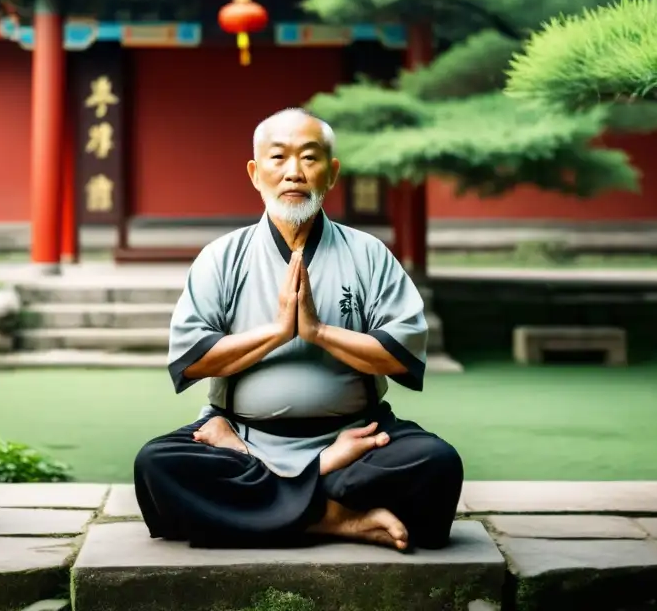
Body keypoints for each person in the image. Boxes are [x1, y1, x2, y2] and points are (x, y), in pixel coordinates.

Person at [133, 108, 464, 552]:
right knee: (158, 464)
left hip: (356, 442)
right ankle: (334, 518)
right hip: (241, 436)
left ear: (332, 173)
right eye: (278, 158)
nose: (294, 172)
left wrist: (318, 332)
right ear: (255, 173)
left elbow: (402, 354)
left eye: (310, 158)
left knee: (437, 463)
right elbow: (191, 359)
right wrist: (276, 332)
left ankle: (269, 501)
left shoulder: (369, 255)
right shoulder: (221, 257)